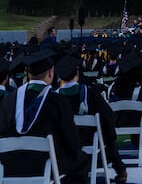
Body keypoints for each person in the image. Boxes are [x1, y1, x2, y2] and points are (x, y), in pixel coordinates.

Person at [0, 50, 90, 183]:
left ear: (28, 75)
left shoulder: (9, 99)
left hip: (10, 164)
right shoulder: (57, 101)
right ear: (50, 73)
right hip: (46, 164)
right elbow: (71, 140)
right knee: (81, 160)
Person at [54, 56, 128, 183]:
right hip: (89, 143)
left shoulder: (53, 97)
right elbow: (108, 116)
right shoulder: (90, 93)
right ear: (77, 73)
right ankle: (119, 169)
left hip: (62, 148)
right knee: (106, 129)